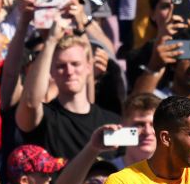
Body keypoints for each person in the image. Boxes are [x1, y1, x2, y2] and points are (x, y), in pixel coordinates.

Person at [18, 23, 120, 160]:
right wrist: (50, 41)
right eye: (61, 66)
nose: (69, 71)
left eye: (75, 64)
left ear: (89, 67)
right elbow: (30, 103)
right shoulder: (44, 118)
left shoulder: (112, 122)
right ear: (51, 71)